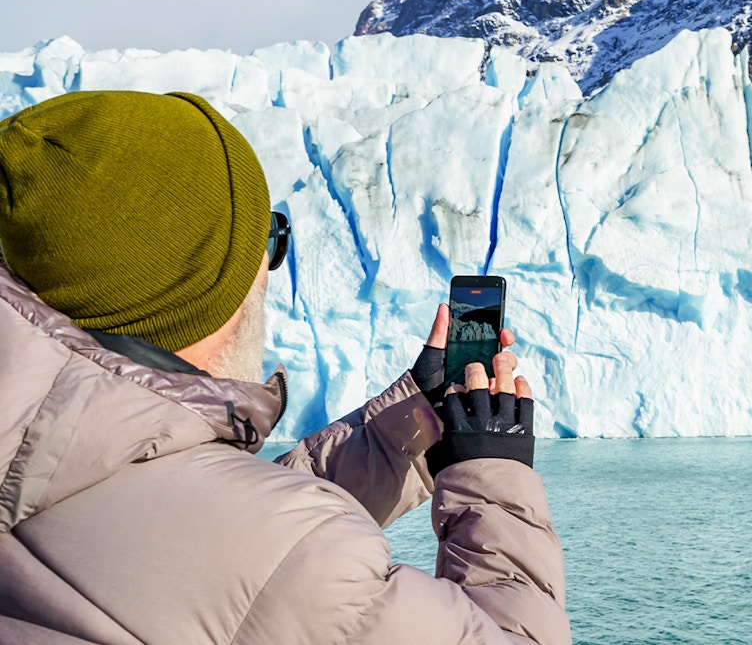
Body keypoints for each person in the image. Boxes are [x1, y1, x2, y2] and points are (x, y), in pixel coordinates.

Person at [0, 90, 570, 644]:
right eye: (268, 239)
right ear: (206, 286)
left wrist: (407, 426)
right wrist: (492, 480)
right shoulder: (305, 564)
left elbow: (207, 542)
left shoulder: (40, 453)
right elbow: (265, 563)